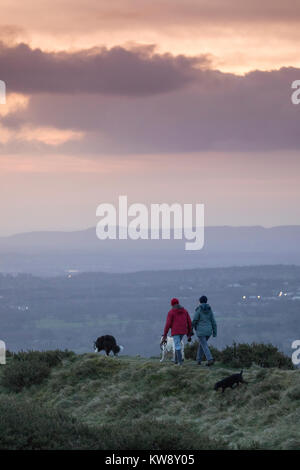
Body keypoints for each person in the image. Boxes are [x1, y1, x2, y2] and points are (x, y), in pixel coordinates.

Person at [162, 298, 193, 365]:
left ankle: (180, 362)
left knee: (177, 345)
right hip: (183, 331)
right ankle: (175, 360)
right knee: (177, 344)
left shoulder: (171, 312)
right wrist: (189, 333)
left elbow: (168, 324)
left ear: (172, 304)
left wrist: (165, 335)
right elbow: (189, 322)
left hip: (175, 331)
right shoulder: (185, 311)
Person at [192, 295, 217, 366]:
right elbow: (213, 322)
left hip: (201, 331)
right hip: (209, 331)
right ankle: (198, 360)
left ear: (200, 301)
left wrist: (191, 328)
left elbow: (195, 320)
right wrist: (214, 332)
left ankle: (210, 359)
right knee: (202, 345)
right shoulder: (210, 310)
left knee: (204, 345)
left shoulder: (199, 309)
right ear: (206, 301)